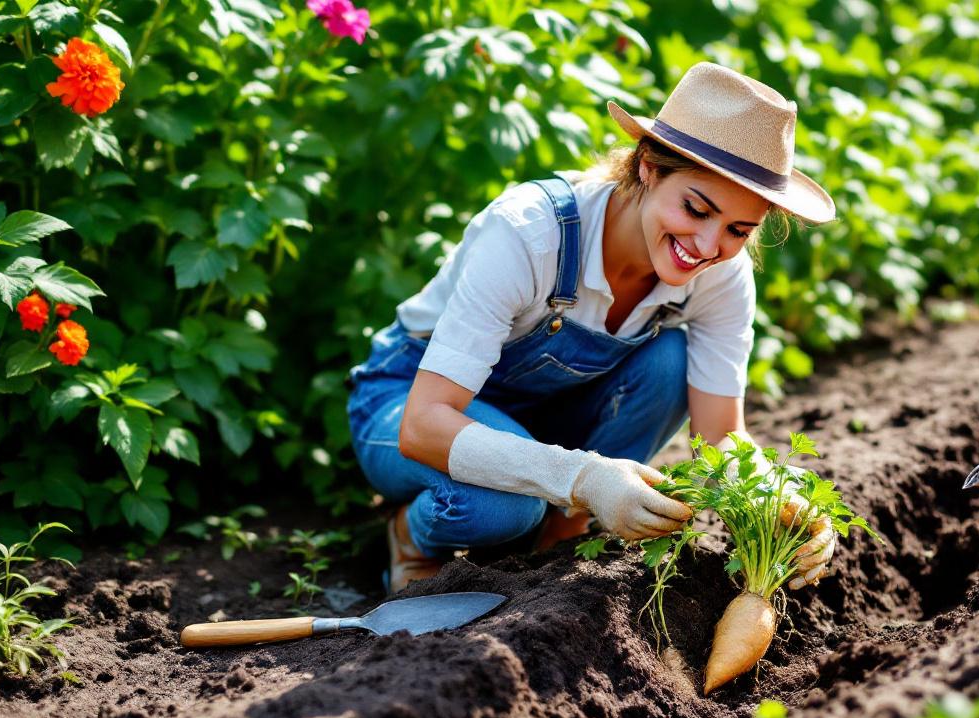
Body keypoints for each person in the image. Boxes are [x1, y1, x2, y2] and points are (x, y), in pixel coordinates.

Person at [347, 62, 840, 593]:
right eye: (696, 209)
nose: (707, 246)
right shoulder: (530, 234)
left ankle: (556, 542)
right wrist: (582, 478)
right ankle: (411, 537)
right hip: (411, 402)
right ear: (648, 166)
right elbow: (423, 425)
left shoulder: (721, 275)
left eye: (738, 230)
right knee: (502, 504)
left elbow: (721, 435)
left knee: (669, 361)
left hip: (542, 418)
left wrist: (783, 501)